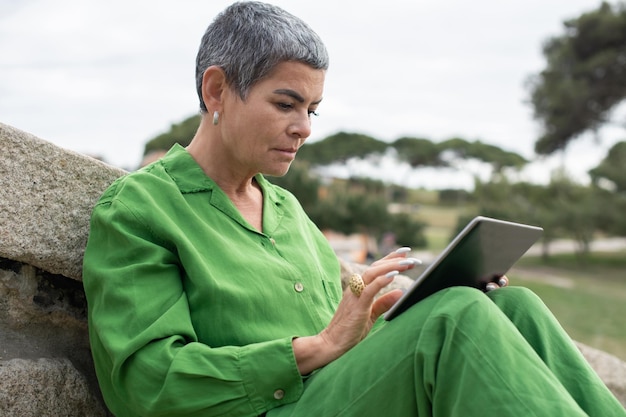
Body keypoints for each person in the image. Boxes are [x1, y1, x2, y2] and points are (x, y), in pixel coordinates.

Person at [82, 2, 625, 416]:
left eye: (313, 109)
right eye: (286, 104)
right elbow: (145, 383)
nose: (305, 128)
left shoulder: (287, 211)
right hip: (273, 407)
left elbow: (351, 324)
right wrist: (313, 349)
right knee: (452, 323)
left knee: (514, 307)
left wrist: (411, 299)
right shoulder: (140, 209)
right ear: (218, 90)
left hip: (340, 396)